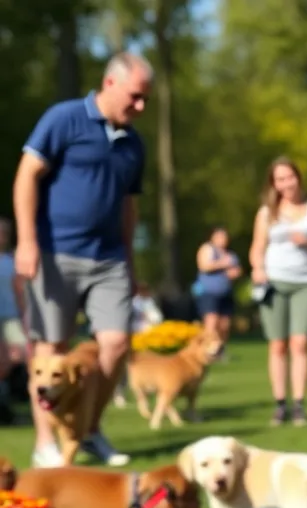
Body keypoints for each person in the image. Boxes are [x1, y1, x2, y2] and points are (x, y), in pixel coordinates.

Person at [13, 51, 152, 467]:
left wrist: (129, 263)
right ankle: (46, 445)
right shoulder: (64, 119)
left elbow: (129, 208)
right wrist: (26, 241)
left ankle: (89, 430)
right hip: (54, 253)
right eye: (135, 97)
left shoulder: (134, 144)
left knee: (115, 344)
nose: (141, 107)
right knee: (50, 351)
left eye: (145, 99)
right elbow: (26, 176)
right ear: (110, 83)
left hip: (108, 259)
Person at [249, 157, 307, 426]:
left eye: (290, 177)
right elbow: (257, 247)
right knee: (277, 345)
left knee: (300, 342)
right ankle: (279, 404)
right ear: (273, 184)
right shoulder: (266, 213)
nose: (286, 183)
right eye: (280, 179)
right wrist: (257, 268)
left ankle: (298, 404)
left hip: (306, 281)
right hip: (274, 281)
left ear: (298, 178)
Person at [194, 227, 241, 351]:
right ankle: (207, 349)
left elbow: (237, 271)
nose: (223, 240)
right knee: (211, 323)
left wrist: (234, 273)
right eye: (220, 236)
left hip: (226, 292)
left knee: (225, 325)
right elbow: (203, 266)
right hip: (209, 292)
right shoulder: (207, 249)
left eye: (225, 237)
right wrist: (222, 264)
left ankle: (221, 350)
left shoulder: (230, 255)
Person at [0, 219, 25, 424]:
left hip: (11, 317)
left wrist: (25, 316)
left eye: (4, 233)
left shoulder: (12, 261)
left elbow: (20, 291)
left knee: (20, 355)